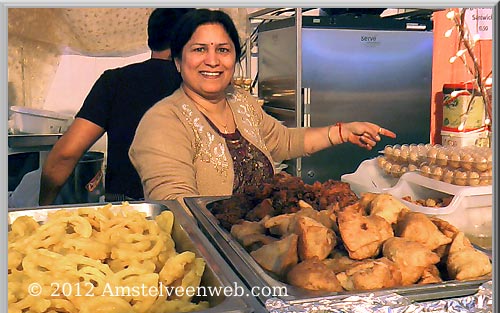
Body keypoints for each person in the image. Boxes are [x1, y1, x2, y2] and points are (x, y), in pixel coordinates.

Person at [129, 9, 396, 201]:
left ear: (234, 58)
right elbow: (173, 204)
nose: (212, 61)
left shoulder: (240, 102)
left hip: (256, 246)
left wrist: (342, 131)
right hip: (212, 258)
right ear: (177, 61)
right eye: (199, 49)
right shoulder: (164, 121)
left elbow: (283, 140)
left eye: (223, 50)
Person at [39, 8, 193, 205]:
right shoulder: (200, 85)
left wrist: (42, 209)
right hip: (188, 209)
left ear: (150, 40)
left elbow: (65, 155)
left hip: (127, 213)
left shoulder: (115, 81)